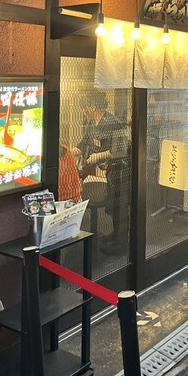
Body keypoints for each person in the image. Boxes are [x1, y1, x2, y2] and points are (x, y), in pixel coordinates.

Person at [74, 90, 130, 253]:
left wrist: (98, 156)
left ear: (93, 106)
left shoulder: (112, 122)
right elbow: (83, 144)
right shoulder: (91, 123)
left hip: (119, 170)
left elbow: (120, 150)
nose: (83, 111)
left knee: (119, 205)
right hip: (105, 172)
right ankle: (115, 236)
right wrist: (67, 152)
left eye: (84, 107)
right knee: (113, 207)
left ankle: (121, 243)